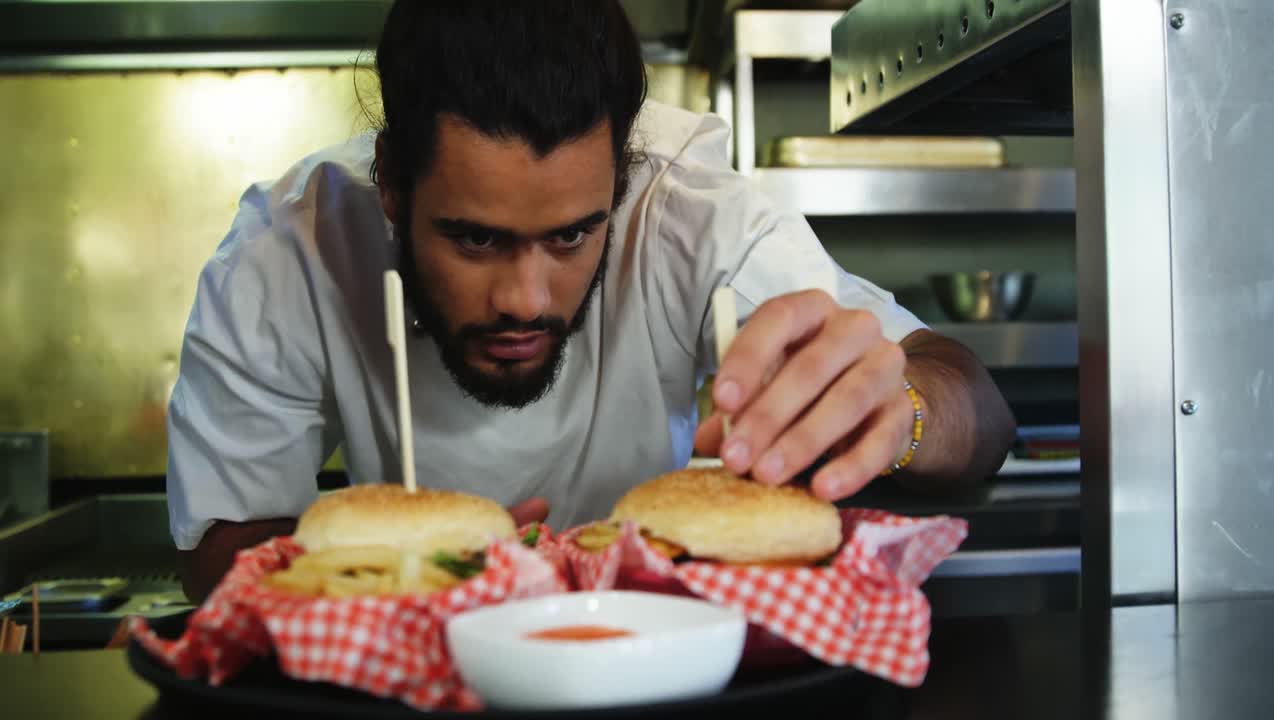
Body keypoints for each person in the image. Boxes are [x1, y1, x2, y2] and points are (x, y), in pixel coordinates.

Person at [169, 0, 1016, 602]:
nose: (525, 299)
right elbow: (218, 551)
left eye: (573, 235)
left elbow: (978, 413)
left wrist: (897, 412)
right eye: (475, 238)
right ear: (392, 183)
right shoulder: (287, 252)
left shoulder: (696, 215)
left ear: (624, 179)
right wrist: (415, 574)